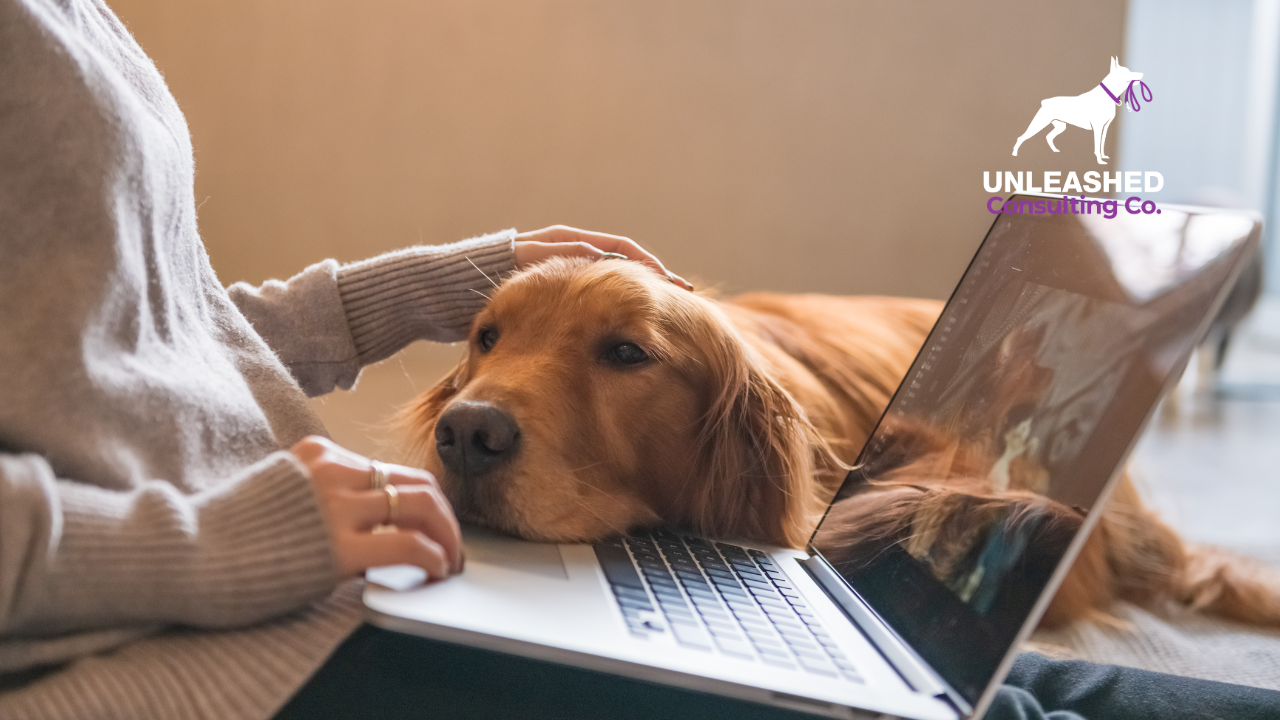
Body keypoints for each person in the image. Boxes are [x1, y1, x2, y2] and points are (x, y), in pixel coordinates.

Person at [4, 1, 1280, 718]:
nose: (475, 409)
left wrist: (443, 289)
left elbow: (126, 319)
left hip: (283, 561)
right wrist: (212, 548)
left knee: (933, 666)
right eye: (486, 351)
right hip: (167, 639)